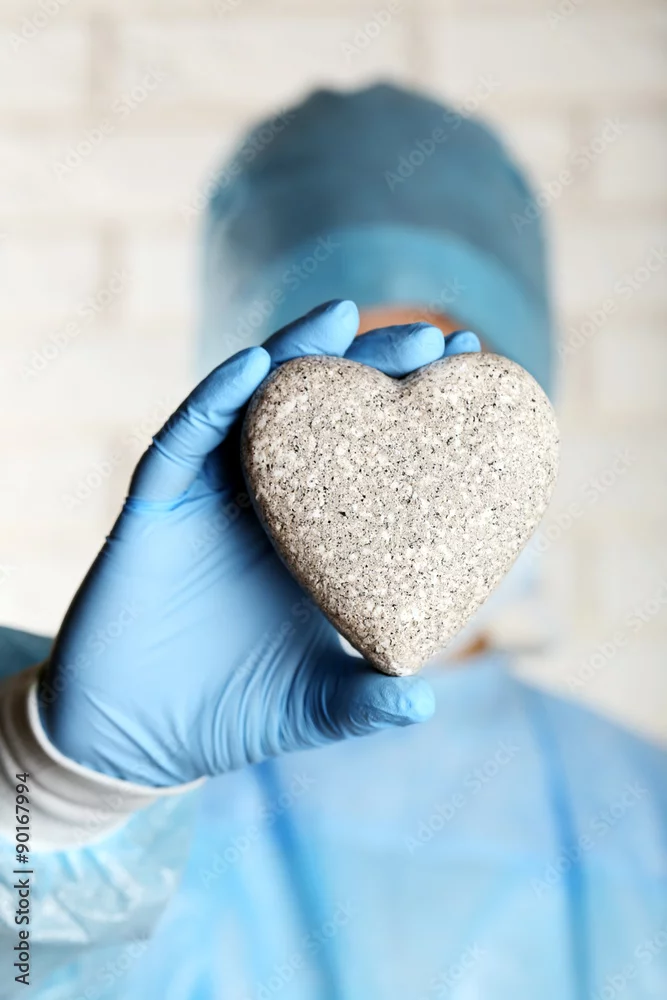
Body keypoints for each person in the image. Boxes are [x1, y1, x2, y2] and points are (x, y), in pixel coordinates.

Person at [0, 84, 665, 1000]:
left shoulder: (643, 807)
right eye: (333, 427)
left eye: (451, 431)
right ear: (243, 428)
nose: (394, 496)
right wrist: (61, 795)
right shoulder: (123, 762)